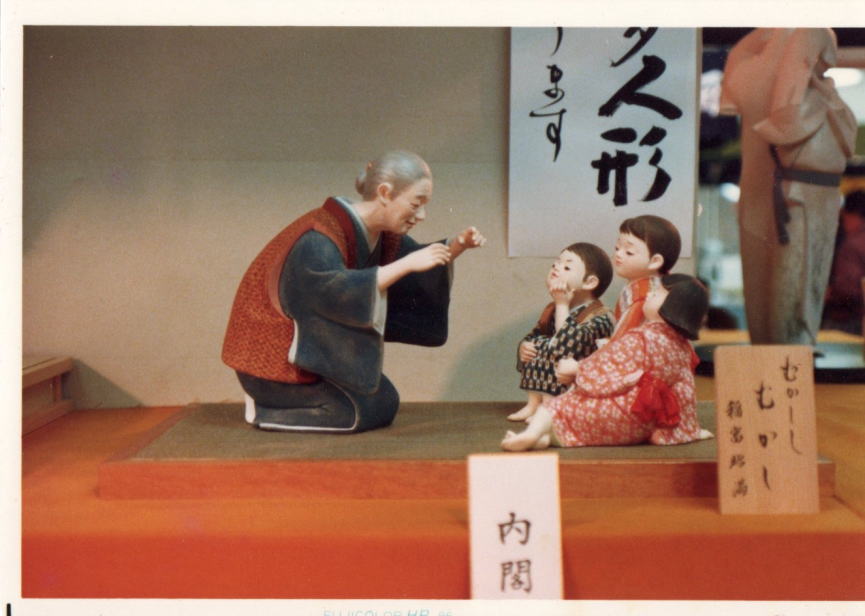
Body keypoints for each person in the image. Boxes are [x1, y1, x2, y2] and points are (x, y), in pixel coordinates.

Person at [222, 150, 486, 433]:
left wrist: (456, 246)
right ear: (385, 193)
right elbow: (333, 293)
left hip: (313, 359)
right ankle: (264, 410)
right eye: (416, 204)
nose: (421, 215)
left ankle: (280, 407)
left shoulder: (379, 235)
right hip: (275, 364)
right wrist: (406, 265)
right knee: (355, 412)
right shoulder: (318, 237)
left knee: (384, 400)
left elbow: (417, 264)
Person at [501, 274, 711, 451]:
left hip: (627, 412)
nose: (649, 295)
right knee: (565, 414)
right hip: (647, 421)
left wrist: (578, 369)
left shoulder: (643, 337)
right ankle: (542, 440)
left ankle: (531, 434)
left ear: (673, 306)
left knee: (558, 405)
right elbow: (685, 392)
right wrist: (689, 429)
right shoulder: (683, 348)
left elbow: (608, 363)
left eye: (656, 294)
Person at [509, 242, 614, 423]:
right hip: (555, 365)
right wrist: (524, 346)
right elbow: (538, 333)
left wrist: (562, 304)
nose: (556, 269)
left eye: (566, 267)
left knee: (550, 347)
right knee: (537, 344)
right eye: (555, 264)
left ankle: (550, 407)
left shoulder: (601, 316)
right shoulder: (553, 309)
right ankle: (534, 403)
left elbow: (566, 346)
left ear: (589, 282)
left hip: (578, 377)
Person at [607, 215, 681, 342]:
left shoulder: (644, 296)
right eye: (617, 248)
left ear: (655, 261)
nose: (618, 254)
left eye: (629, 252)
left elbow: (621, 340)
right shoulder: (659, 284)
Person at [823, 190, 865, 334]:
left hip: (847, 321)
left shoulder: (851, 246)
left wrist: (829, 294)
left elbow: (847, 289)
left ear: (852, 216)